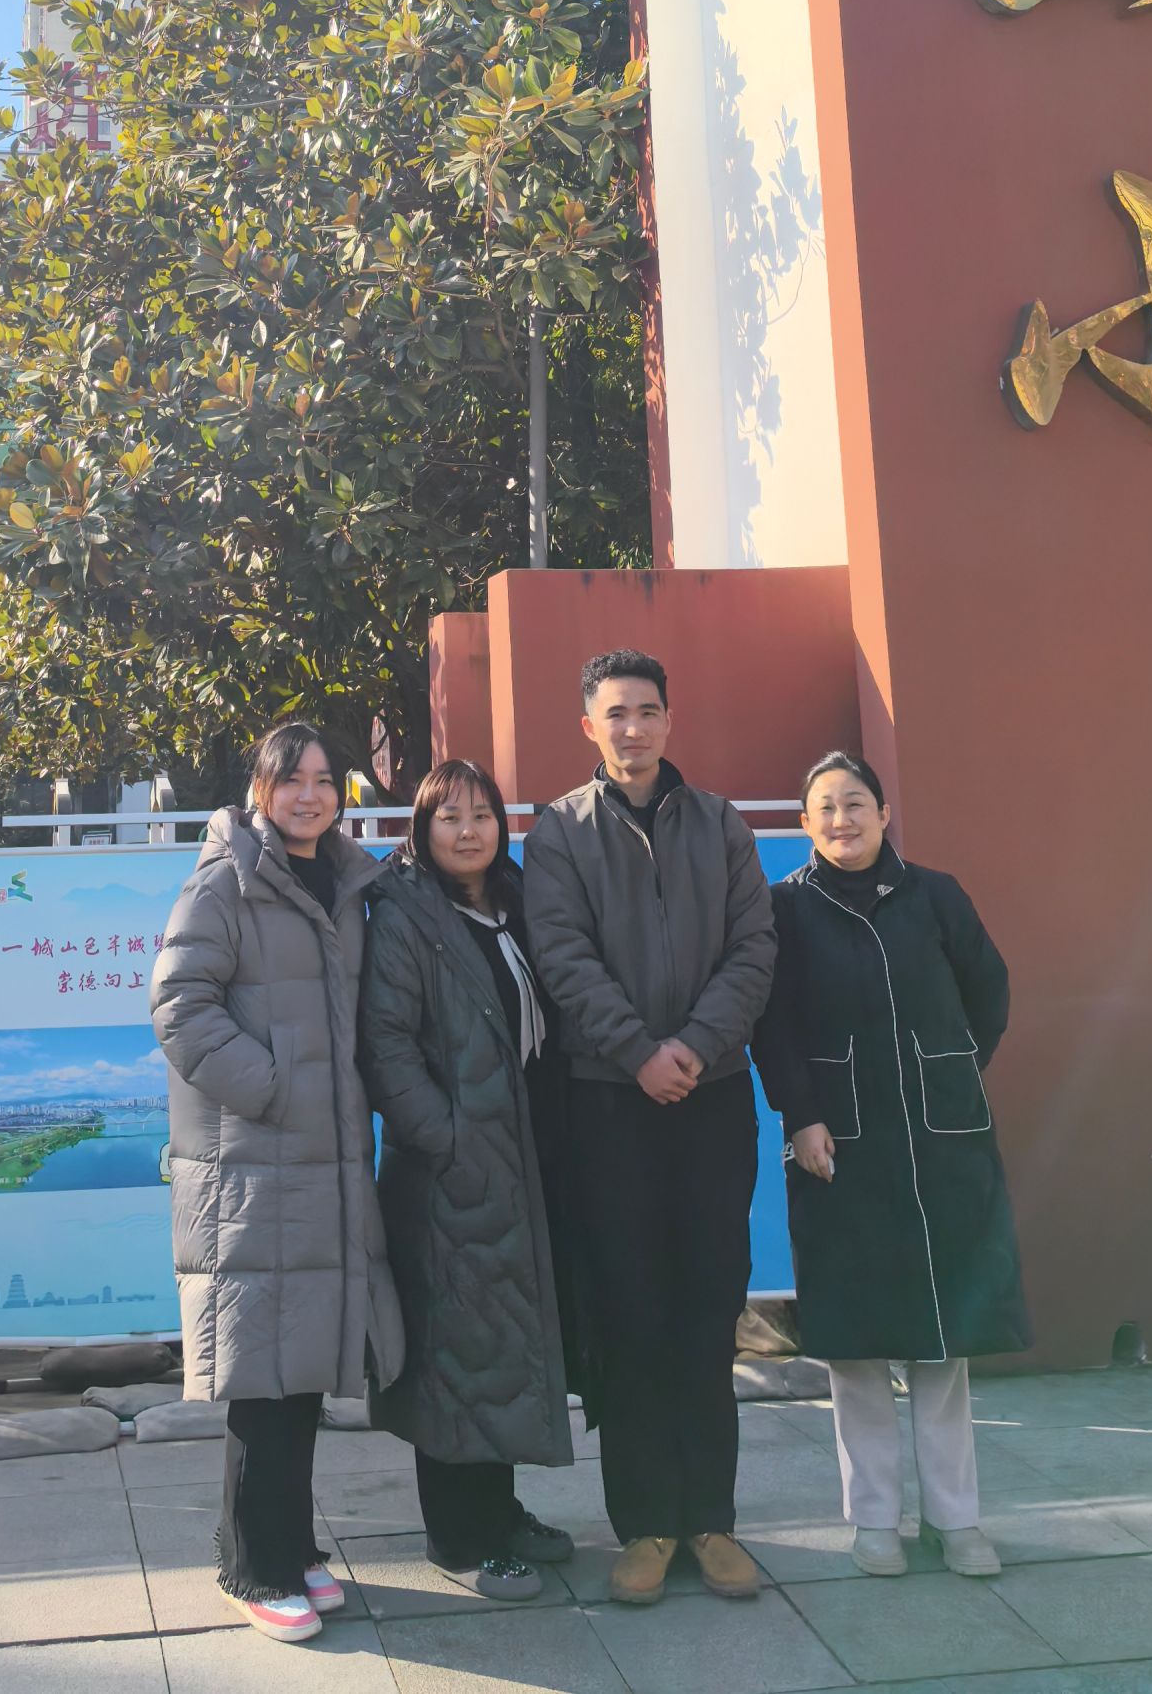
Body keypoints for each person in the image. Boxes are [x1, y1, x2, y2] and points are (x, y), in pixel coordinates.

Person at [521, 649, 776, 1608]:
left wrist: (695, 1048)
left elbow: (754, 948)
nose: (633, 728)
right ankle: (646, 1526)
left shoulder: (721, 824)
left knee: (708, 1307)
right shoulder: (559, 831)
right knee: (629, 1312)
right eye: (615, 713)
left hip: (713, 1098)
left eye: (647, 711)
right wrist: (637, 1053)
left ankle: (711, 1519)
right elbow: (562, 956)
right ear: (589, 726)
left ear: (670, 720)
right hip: (608, 1102)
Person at [151, 722, 403, 1642]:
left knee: (302, 1366)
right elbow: (178, 1006)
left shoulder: (345, 882)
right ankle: (250, 1565)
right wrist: (276, 1086)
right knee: (262, 1371)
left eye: (325, 780)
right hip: (253, 1165)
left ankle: (290, 1545)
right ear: (260, 790)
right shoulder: (226, 881)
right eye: (291, 779)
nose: (310, 795)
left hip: (324, 1162)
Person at [752, 749, 1029, 1579]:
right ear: (805, 824)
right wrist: (802, 1115)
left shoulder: (935, 895)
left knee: (945, 1343)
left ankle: (957, 1519)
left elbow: (989, 992)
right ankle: (874, 1520)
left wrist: (950, 1073)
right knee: (857, 1341)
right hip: (839, 1147)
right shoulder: (785, 909)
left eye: (855, 803)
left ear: (882, 813)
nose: (842, 819)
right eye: (826, 807)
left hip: (943, 1142)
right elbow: (772, 1025)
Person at [359, 759, 576, 1601]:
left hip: (523, 1155)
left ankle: (501, 1512)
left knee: (502, 1342)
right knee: (455, 1350)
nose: (468, 830)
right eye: (448, 816)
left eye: (481, 814)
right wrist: (443, 1139)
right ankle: (458, 1536)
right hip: (448, 1170)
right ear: (421, 828)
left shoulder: (515, 902)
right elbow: (385, 1044)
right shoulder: (405, 914)